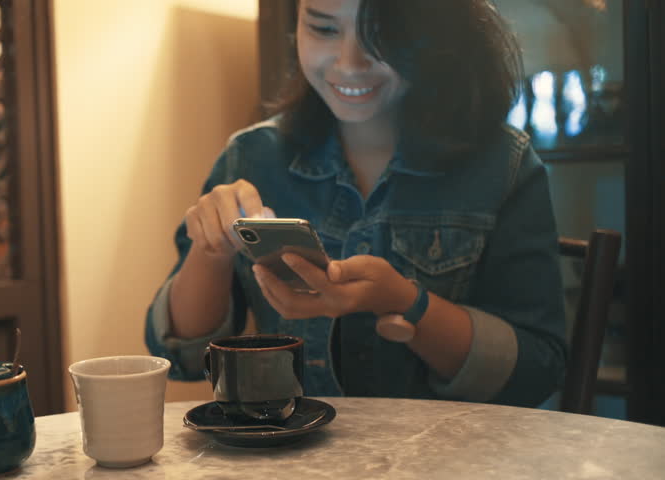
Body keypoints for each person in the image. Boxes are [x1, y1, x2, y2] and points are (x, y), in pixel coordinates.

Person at [145, 0, 566, 407]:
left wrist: (406, 304)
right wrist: (210, 252)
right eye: (323, 28)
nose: (349, 63)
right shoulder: (253, 156)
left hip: (447, 449)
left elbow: (535, 371)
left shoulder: (503, 165)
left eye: (381, 35)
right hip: (290, 446)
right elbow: (180, 355)